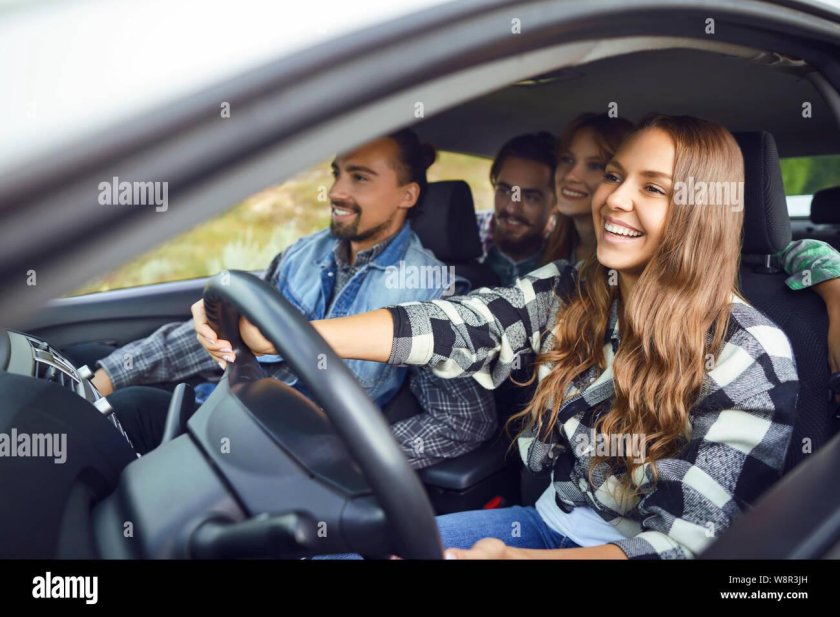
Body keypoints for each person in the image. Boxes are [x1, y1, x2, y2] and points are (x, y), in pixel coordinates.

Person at [195, 114, 797, 559]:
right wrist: (278, 332)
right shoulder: (572, 289)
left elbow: (686, 549)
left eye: (654, 188)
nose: (614, 197)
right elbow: (452, 324)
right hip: (540, 524)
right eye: (617, 175)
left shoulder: (750, 353)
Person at [65, 130, 496, 467]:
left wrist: (357, 458)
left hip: (289, 458)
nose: (335, 192)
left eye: (360, 178)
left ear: (408, 195)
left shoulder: (432, 288)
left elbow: (463, 421)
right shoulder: (303, 253)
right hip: (223, 412)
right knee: (103, 398)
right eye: (337, 173)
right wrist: (109, 374)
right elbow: (223, 335)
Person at [543, 112, 840, 375]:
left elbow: (789, 250)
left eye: (595, 165)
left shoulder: (744, 349)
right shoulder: (558, 262)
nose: (572, 175)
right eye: (612, 175)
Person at [475, 132, 558, 285]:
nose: (512, 208)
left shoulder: (568, 250)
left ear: (556, 203)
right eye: (505, 191)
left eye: (530, 197)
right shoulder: (461, 234)